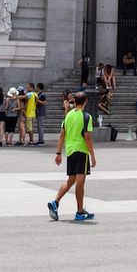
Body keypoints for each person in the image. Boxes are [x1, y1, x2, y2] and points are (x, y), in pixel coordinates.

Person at [48, 93, 97, 223]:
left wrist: (58, 153)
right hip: (81, 150)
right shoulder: (87, 116)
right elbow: (87, 137)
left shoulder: (68, 116)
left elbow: (62, 135)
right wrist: (92, 156)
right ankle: (79, 211)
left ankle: (55, 202)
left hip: (70, 151)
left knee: (71, 179)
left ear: (74, 101)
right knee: (80, 182)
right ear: (85, 101)